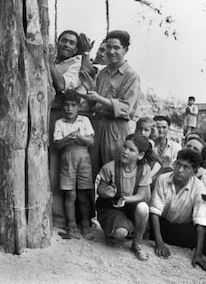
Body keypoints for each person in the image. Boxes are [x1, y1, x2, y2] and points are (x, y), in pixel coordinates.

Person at [85, 30, 141, 182]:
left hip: (116, 129)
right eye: (108, 47)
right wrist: (89, 92)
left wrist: (99, 98)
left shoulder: (131, 75)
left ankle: (116, 205)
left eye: (116, 48)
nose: (111, 51)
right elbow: (94, 102)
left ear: (125, 50)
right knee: (93, 170)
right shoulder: (103, 73)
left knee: (114, 171)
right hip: (99, 125)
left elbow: (126, 108)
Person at [96, 134, 152, 261]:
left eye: (131, 150)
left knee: (143, 208)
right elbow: (100, 190)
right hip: (111, 207)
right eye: (125, 147)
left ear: (140, 155)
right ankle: (118, 231)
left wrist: (125, 199)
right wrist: (107, 193)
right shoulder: (110, 167)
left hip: (130, 206)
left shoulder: (144, 169)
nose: (125, 151)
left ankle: (137, 243)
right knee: (120, 233)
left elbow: (141, 195)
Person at [150, 149, 206, 270]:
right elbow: (154, 212)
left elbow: (201, 222)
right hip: (161, 226)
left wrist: (198, 254)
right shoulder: (163, 179)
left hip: (183, 230)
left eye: (186, 167)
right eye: (178, 164)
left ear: (194, 172)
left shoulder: (199, 187)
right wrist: (159, 243)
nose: (180, 170)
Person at [54, 90, 95, 240]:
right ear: (62, 107)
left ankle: (85, 224)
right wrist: (68, 138)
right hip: (67, 159)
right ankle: (71, 225)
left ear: (79, 106)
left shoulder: (84, 121)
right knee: (70, 194)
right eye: (66, 105)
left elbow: (91, 140)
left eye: (73, 105)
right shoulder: (60, 123)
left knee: (84, 194)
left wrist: (80, 137)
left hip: (84, 159)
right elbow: (57, 144)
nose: (69, 109)